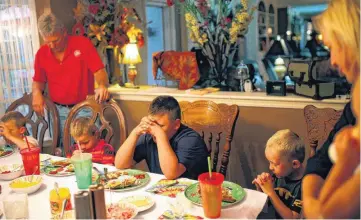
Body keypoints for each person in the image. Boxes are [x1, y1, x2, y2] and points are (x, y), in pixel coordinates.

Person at [302, 0, 360, 218]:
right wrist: (309, 203)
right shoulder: (351, 111)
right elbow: (319, 161)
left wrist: (319, 211)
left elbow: (330, 212)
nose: (333, 61)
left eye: (333, 47)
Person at [32, 12, 110, 149]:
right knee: (64, 152)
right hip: (57, 111)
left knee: (89, 149)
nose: (52, 46)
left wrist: (102, 85)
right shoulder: (41, 54)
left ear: (63, 32)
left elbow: (99, 71)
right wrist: (36, 93)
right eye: (48, 41)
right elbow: (38, 81)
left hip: (85, 108)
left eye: (55, 40)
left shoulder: (82, 44)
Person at [115, 95, 209, 180]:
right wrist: (135, 132)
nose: (153, 129)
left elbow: (171, 174)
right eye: (152, 123)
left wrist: (160, 135)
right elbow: (120, 164)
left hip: (194, 193)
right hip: (162, 190)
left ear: (176, 124)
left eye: (160, 126)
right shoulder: (149, 135)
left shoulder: (191, 140)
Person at [253, 129, 305, 219]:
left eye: (275, 164)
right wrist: (261, 188)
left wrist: (270, 192)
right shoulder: (281, 174)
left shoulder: (305, 185)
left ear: (295, 164)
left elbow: (292, 218)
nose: (270, 168)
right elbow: (266, 206)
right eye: (269, 162)